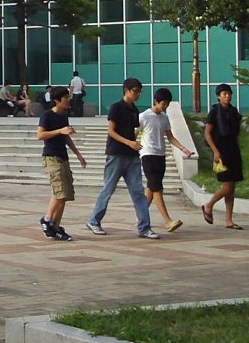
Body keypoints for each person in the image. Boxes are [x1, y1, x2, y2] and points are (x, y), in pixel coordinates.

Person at [86, 77, 159, 239]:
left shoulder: (134, 109)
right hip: (116, 153)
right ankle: (94, 220)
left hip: (132, 155)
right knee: (108, 189)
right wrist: (128, 142)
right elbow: (111, 131)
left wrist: (136, 140)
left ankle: (144, 227)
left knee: (138, 191)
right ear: (126, 90)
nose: (138, 94)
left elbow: (132, 130)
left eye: (140, 91)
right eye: (135, 91)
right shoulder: (116, 107)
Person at [139, 87, 194, 233]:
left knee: (151, 188)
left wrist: (183, 149)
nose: (165, 107)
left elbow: (170, 137)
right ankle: (167, 221)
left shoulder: (164, 118)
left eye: (167, 104)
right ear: (156, 101)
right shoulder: (144, 116)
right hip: (148, 154)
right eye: (163, 104)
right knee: (157, 188)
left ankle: (141, 217)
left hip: (160, 155)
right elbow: (134, 133)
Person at [37, 85, 87, 240]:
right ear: (57, 100)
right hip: (51, 157)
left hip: (63, 157)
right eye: (65, 97)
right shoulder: (47, 115)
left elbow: (66, 137)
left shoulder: (64, 116)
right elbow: (40, 135)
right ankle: (47, 219)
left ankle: (56, 226)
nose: (68, 100)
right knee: (59, 191)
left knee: (65, 194)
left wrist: (78, 154)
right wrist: (60, 131)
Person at [202, 83, 244, 229]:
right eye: (224, 94)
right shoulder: (214, 112)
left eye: (229, 93)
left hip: (234, 150)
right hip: (221, 151)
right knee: (227, 185)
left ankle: (228, 220)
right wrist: (215, 151)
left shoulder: (233, 111)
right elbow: (207, 133)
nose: (228, 96)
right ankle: (209, 205)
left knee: (231, 188)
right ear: (218, 96)